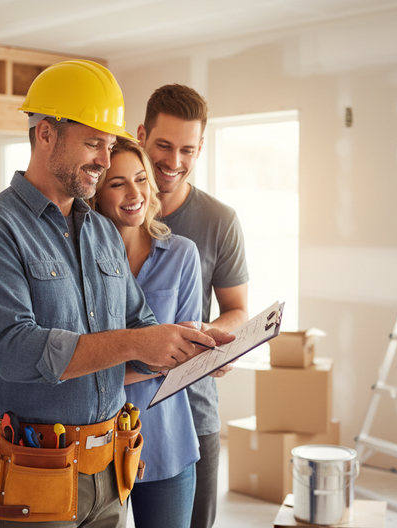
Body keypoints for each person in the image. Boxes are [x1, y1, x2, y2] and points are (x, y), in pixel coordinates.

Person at [0, 60, 230, 528]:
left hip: (109, 467)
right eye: (93, 143)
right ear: (45, 135)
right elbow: (15, 352)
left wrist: (191, 348)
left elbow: (140, 323)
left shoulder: (100, 232)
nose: (105, 159)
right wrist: (140, 342)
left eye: (108, 144)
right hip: (33, 464)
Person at [138, 84, 250, 528]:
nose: (173, 162)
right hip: (109, 411)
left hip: (191, 409)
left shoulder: (219, 220)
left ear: (201, 146)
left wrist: (203, 335)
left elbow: (238, 309)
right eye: (163, 145)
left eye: (188, 149)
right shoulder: (103, 208)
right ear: (142, 134)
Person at [89, 137, 202, 528]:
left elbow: (188, 355)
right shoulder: (80, 264)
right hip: (97, 446)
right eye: (117, 183)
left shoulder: (183, 255)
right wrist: (158, 356)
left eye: (140, 178)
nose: (134, 192)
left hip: (168, 439)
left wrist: (107, 364)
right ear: (97, 194)